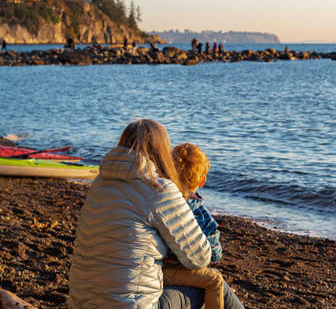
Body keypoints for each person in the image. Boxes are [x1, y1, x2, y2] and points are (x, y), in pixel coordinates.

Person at [68, 119, 244, 309]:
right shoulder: (159, 189)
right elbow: (200, 258)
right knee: (212, 285)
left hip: (80, 302)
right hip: (130, 305)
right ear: (161, 151)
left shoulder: (99, 185)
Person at [163, 143, 224, 309]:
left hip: (155, 264)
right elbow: (215, 254)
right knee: (215, 281)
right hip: (171, 271)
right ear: (202, 180)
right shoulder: (200, 214)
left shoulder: (161, 200)